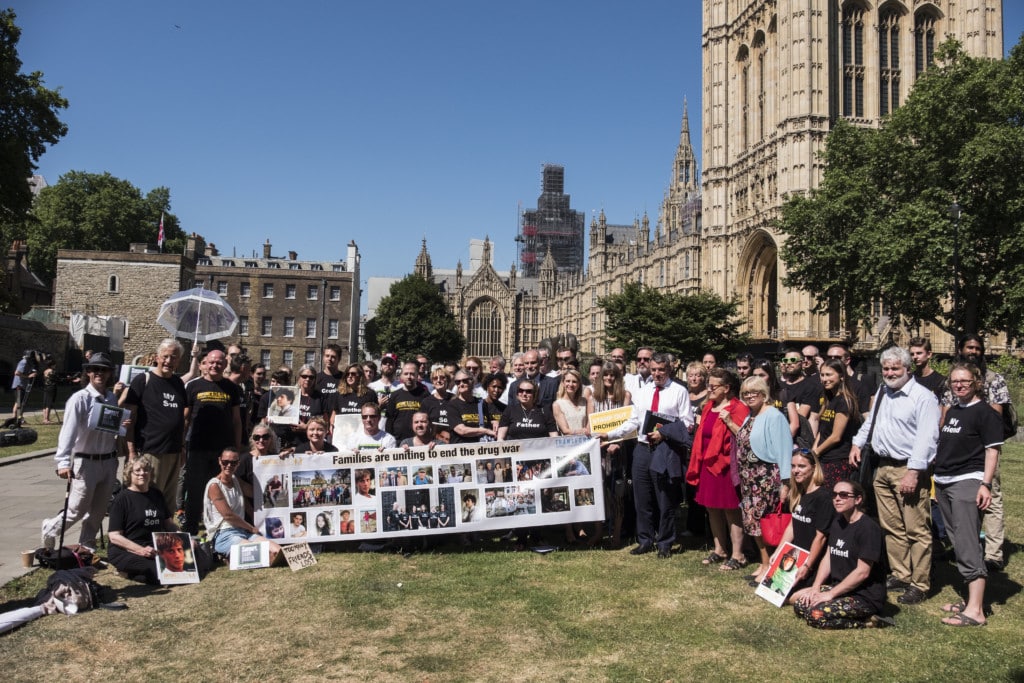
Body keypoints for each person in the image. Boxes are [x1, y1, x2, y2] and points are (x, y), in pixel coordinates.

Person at [850, 346, 939, 606]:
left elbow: (927, 438)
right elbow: (872, 422)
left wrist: (913, 472)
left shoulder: (923, 397)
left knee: (916, 528)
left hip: (907, 469)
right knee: (891, 526)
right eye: (886, 368)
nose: (889, 373)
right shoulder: (883, 392)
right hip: (883, 467)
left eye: (895, 368)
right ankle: (901, 573)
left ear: (907, 369)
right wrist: (857, 442)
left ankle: (920, 583)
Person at [603, 352, 694, 559]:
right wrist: (610, 435)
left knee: (664, 498)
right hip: (642, 449)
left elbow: (688, 423)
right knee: (641, 497)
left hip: (666, 449)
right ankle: (645, 540)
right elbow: (633, 421)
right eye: (653, 370)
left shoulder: (679, 391)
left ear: (669, 369)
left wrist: (664, 433)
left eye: (661, 370)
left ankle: (665, 542)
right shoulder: (643, 392)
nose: (657, 374)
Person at [934, 362, 1002, 626]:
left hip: (967, 482)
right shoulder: (954, 410)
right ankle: (970, 600)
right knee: (957, 540)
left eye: (964, 381)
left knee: (967, 543)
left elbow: (992, 451)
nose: (959, 385)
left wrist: (985, 484)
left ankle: (976, 612)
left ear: (976, 383)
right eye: (954, 381)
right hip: (943, 481)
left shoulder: (985, 413)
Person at [40, 352, 125, 551]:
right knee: (77, 509)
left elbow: (110, 428)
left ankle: (87, 547)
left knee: (98, 511)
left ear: (109, 374)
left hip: (109, 460)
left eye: (104, 370)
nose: (99, 374)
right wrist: (62, 462)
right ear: (88, 372)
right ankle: (50, 529)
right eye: (95, 369)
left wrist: (122, 423)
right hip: (86, 461)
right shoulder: (79, 399)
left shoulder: (111, 398)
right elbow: (67, 432)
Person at [943, 334, 1011, 572]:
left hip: (983, 448)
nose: (973, 351)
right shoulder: (951, 379)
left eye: (977, 348)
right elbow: (946, 412)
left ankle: (993, 553)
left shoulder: (994, 379)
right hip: (957, 450)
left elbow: (995, 414)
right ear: (960, 350)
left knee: (991, 498)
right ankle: (967, 548)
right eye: (969, 347)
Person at [792, 480, 889, 629]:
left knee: (816, 615)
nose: (837, 498)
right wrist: (816, 587)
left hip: (864, 596)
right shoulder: (838, 522)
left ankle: (868, 621)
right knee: (800, 605)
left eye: (843, 495)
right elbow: (829, 556)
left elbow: (862, 572)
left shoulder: (869, 529)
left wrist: (830, 594)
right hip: (840, 589)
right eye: (834, 494)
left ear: (858, 499)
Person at [686, 367, 749, 570]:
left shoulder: (738, 408)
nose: (709, 389)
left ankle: (738, 554)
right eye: (709, 385)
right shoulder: (707, 407)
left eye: (713, 386)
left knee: (731, 510)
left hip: (725, 467)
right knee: (711, 508)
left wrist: (729, 421)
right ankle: (719, 549)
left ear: (727, 388)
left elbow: (745, 437)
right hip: (707, 464)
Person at [120, 338, 188, 517]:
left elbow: (180, 420)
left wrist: (182, 447)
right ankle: (146, 538)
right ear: (157, 357)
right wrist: (131, 452)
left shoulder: (178, 383)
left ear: (178, 360)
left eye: (173, 357)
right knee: (149, 500)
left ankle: (164, 539)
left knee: (168, 502)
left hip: (173, 452)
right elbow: (130, 418)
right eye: (165, 356)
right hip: (151, 451)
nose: (168, 361)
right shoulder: (143, 380)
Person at [735, 376, 792, 582]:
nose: (749, 396)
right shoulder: (750, 416)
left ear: (763, 393)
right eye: (745, 393)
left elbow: (784, 449)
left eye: (754, 392)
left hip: (766, 479)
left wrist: (786, 483)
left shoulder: (774, 416)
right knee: (753, 522)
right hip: (749, 480)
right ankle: (764, 562)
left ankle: (771, 565)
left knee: (765, 523)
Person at [182, 349, 243, 535]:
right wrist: (181, 445)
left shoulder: (232, 388)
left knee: (220, 488)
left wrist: (237, 447)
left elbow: (237, 421)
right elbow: (185, 419)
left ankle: (218, 527)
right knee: (194, 489)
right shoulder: (193, 387)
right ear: (205, 364)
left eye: (219, 363)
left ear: (225, 365)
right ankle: (191, 526)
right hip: (198, 447)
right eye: (212, 362)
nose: (215, 365)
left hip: (222, 451)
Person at [107, 455, 182, 584]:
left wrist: (183, 538)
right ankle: (127, 573)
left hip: (155, 547)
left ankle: (138, 572)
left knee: (188, 564)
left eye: (146, 470)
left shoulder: (156, 494)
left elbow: (169, 524)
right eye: (137, 470)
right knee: (161, 572)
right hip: (127, 549)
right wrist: (140, 550)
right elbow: (114, 536)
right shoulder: (122, 499)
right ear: (129, 474)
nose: (142, 473)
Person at [204, 448, 281, 564]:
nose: (229, 465)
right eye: (225, 462)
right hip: (224, 534)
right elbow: (228, 516)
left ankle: (231, 557)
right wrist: (251, 528)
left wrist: (280, 463)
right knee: (266, 556)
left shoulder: (236, 481)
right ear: (219, 461)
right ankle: (221, 554)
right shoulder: (214, 486)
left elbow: (257, 494)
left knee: (278, 552)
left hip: (242, 531)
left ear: (238, 464)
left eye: (233, 463)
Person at [776, 450, 833, 599]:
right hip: (796, 557)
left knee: (793, 599)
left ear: (814, 467)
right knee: (775, 592)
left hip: (813, 562)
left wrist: (807, 566)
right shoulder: (799, 493)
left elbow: (820, 538)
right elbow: (792, 527)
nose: (796, 471)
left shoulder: (824, 498)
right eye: (793, 466)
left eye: (801, 466)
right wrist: (778, 553)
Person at [591, 361, 633, 547]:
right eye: (605, 375)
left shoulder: (624, 396)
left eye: (612, 375)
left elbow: (628, 426)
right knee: (598, 492)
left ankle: (616, 535)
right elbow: (590, 425)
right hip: (598, 451)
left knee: (617, 494)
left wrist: (617, 443)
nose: (608, 378)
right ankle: (599, 532)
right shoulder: (593, 397)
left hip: (616, 451)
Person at [812, 359, 861, 491]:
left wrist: (817, 451)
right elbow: (822, 431)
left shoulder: (844, 401)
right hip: (823, 459)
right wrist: (813, 452)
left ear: (841, 376)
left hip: (838, 460)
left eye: (829, 375)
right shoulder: (829, 400)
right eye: (822, 375)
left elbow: (836, 436)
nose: (824, 379)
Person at [449, 370, 500, 443]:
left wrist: (494, 422)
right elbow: (462, 430)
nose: (461, 384)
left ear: (472, 381)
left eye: (465, 381)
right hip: (462, 449)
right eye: (458, 382)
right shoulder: (453, 405)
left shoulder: (481, 403)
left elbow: (487, 421)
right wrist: (485, 431)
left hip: (482, 449)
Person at [552, 369, 590, 436]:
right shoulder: (557, 405)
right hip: (569, 444)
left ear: (579, 384)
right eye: (568, 381)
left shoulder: (584, 401)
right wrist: (581, 431)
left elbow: (590, 423)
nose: (571, 384)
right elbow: (565, 431)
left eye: (574, 382)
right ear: (563, 383)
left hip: (586, 443)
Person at [11, 349, 37, 419]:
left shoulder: (28, 363)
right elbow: (17, 372)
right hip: (19, 385)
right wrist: (28, 376)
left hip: (23, 385)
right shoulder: (24, 362)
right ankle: (14, 418)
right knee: (18, 402)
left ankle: (19, 418)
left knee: (21, 402)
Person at [41, 359, 58, 424]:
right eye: (54, 364)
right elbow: (56, 378)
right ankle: (47, 419)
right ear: (52, 365)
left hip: (46, 387)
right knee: (49, 403)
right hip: (51, 387)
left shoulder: (45, 371)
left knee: (45, 403)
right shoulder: (52, 371)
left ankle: (44, 418)